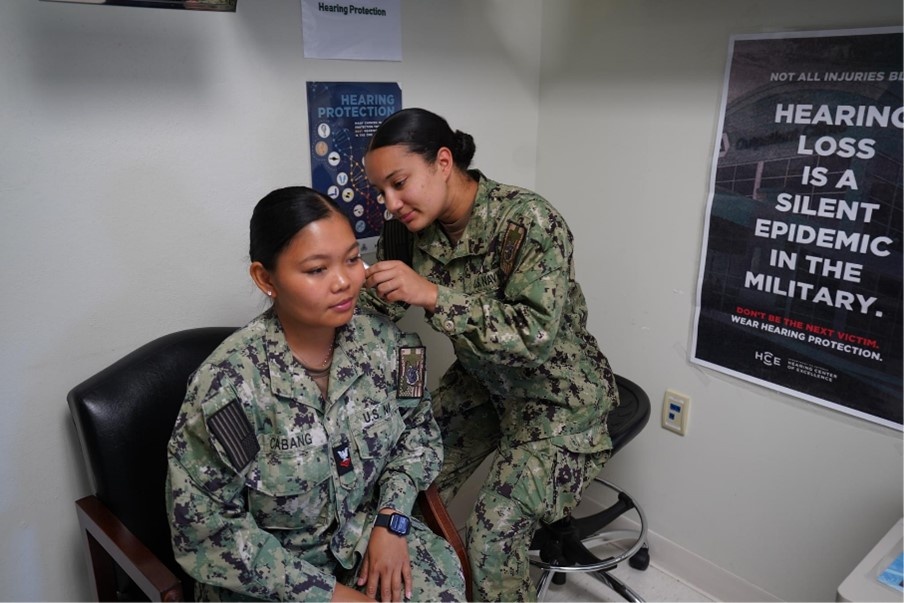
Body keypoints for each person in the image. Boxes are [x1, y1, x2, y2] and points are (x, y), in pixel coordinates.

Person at [360, 108, 620, 601]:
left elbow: (534, 337)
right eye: (381, 191)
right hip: (484, 387)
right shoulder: (406, 234)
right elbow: (373, 309)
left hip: (560, 403)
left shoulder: (527, 221)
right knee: (399, 488)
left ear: (441, 162)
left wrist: (433, 295)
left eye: (398, 183)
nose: (390, 204)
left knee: (493, 536)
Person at [165, 186, 465, 602]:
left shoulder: (391, 345)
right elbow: (208, 530)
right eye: (316, 269)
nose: (344, 281)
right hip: (272, 578)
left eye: (352, 259)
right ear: (265, 278)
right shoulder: (228, 386)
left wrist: (391, 521)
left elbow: (418, 435)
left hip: (364, 540)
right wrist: (329, 596)